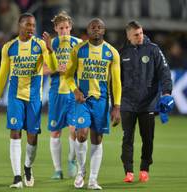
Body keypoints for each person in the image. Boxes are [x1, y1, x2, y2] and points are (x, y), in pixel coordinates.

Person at [0, 13, 57, 188]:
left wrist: (50, 50)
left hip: (34, 97)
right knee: (14, 132)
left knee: (32, 137)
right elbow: (2, 75)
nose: (31, 28)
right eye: (28, 25)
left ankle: (28, 167)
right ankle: (17, 177)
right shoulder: (9, 47)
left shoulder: (40, 45)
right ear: (19, 25)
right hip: (15, 96)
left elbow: (53, 66)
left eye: (33, 25)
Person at [65, 18, 122, 190]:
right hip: (83, 100)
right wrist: (75, 90)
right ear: (88, 30)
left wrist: (117, 107)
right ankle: (81, 172)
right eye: (93, 27)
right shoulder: (78, 50)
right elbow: (68, 76)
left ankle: (93, 180)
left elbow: (116, 82)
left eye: (99, 27)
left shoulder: (112, 53)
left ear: (104, 31)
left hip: (101, 101)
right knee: (81, 134)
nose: (96, 29)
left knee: (97, 139)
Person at [119, 20, 172, 183]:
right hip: (127, 102)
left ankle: (144, 169)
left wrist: (166, 92)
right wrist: (114, 102)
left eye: (141, 33)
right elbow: (116, 79)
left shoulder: (153, 50)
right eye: (136, 34)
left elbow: (164, 71)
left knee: (147, 138)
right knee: (127, 138)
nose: (140, 36)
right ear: (128, 36)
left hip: (148, 103)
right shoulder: (122, 52)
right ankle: (128, 171)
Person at [43, 11, 82, 179]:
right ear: (55, 29)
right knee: (56, 132)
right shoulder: (50, 45)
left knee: (74, 130)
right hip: (56, 93)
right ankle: (57, 170)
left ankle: (71, 160)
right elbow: (42, 69)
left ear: (71, 27)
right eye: (61, 28)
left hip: (74, 92)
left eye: (67, 27)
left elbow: (85, 68)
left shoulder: (79, 44)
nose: (64, 31)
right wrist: (57, 68)